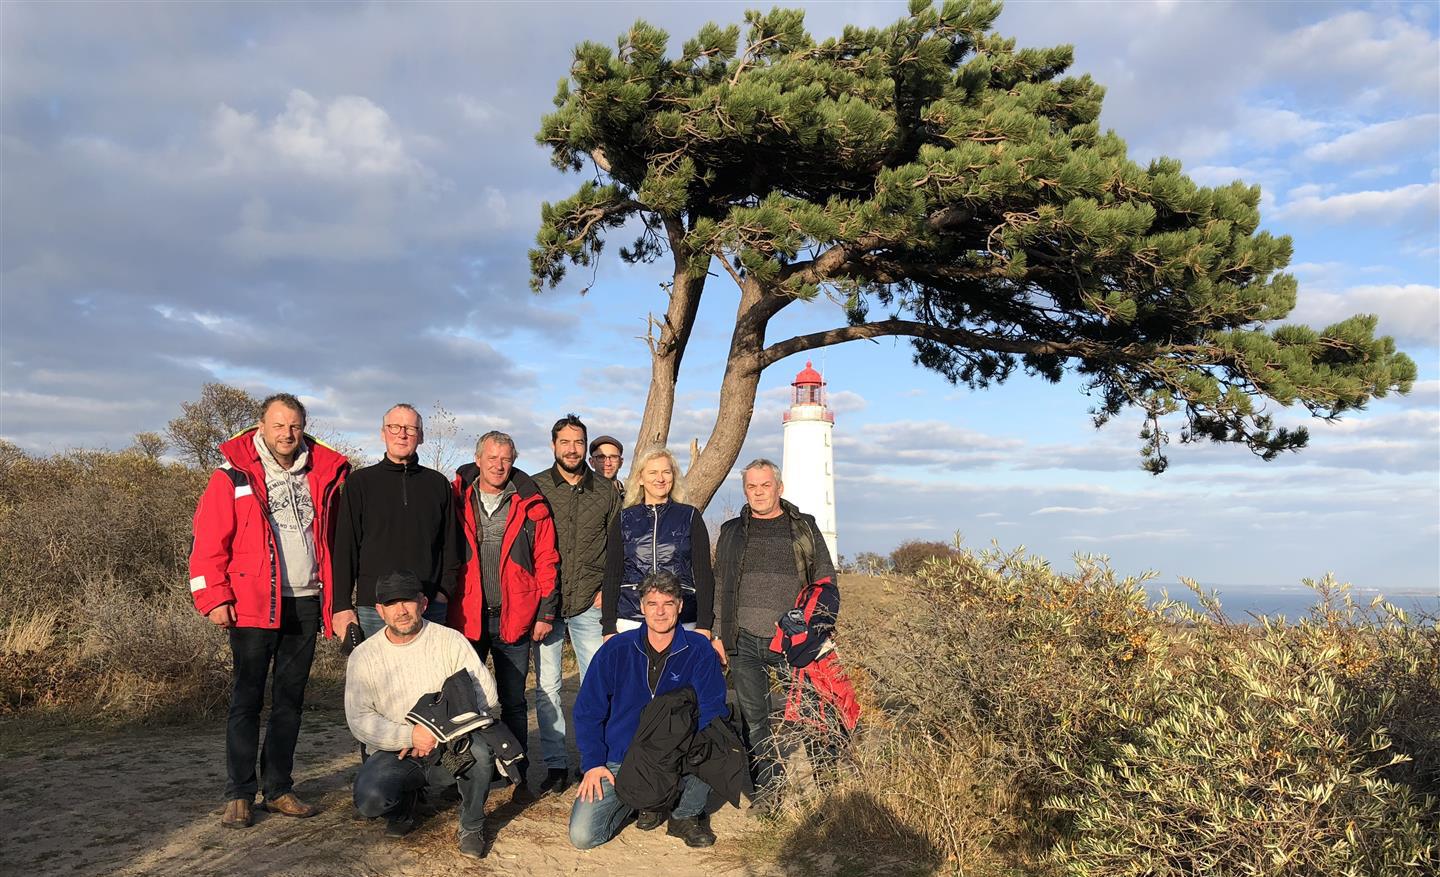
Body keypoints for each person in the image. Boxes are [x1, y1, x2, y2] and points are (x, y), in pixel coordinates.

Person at [188, 393, 351, 828]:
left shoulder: (324, 474)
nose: (287, 434)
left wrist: (339, 600)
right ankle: (239, 792)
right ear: (261, 427)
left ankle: (278, 788)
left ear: (304, 427)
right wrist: (213, 596)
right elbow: (207, 541)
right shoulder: (233, 475)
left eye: (294, 425)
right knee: (246, 699)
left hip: (306, 601)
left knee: (289, 702)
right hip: (252, 604)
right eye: (278, 425)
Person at [345, 571, 502, 859]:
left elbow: (485, 695)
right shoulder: (364, 656)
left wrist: (435, 732)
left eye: (408, 601)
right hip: (397, 750)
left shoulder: (450, 641)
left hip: (450, 744)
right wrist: (407, 735)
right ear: (379, 611)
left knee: (480, 756)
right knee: (370, 800)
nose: (401, 611)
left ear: (423, 603)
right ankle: (406, 805)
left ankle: (472, 824)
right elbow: (359, 718)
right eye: (391, 604)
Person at [569, 572, 729, 850]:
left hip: (675, 754)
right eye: (652, 603)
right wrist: (593, 763)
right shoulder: (616, 649)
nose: (660, 611)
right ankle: (639, 801)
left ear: (680, 606)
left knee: (718, 739)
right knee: (583, 836)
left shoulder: (699, 649)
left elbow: (712, 708)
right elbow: (588, 710)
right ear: (641, 607)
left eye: (668, 603)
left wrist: (684, 747)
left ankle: (684, 814)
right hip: (621, 757)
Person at [713, 459, 836, 800]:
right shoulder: (731, 531)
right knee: (755, 721)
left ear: (779, 488)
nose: (758, 492)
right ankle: (769, 793)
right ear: (745, 490)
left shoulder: (804, 528)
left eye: (765, 485)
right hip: (743, 642)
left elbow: (825, 582)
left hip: (793, 644)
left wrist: (817, 633)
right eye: (751, 487)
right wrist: (718, 635)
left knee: (814, 716)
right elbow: (720, 583)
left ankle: (829, 793)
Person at [447, 430, 560, 792]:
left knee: (513, 701)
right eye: (492, 457)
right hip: (467, 617)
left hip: (515, 616)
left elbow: (547, 560)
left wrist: (546, 612)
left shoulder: (531, 505)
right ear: (477, 459)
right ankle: (463, 774)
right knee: (464, 700)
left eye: (506, 458)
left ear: (513, 461)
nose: (498, 465)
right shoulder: (456, 498)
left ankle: (517, 771)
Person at [532, 414, 622, 795]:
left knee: (595, 685)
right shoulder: (534, 488)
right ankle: (554, 763)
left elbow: (616, 547)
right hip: (547, 603)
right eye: (565, 442)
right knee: (547, 686)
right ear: (553, 445)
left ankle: (592, 760)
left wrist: (608, 588)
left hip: (590, 600)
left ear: (585, 447)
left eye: (578, 442)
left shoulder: (605, 491)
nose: (572, 449)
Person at [330, 403, 458, 638]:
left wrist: (443, 593)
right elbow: (345, 549)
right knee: (375, 675)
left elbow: (451, 545)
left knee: (428, 675)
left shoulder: (438, 484)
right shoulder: (360, 483)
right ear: (383, 433)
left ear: (420, 436)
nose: (402, 434)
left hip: (427, 604)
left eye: (410, 428)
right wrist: (341, 605)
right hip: (374, 608)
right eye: (395, 427)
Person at [601, 446, 715, 641]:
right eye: (653, 472)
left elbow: (704, 574)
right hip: (631, 617)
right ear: (640, 478)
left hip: (682, 618)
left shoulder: (689, 516)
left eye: (666, 472)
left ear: (673, 476)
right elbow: (612, 574)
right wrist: (608, 626)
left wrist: (704, 625)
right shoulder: (624, 519)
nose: (660, 478)